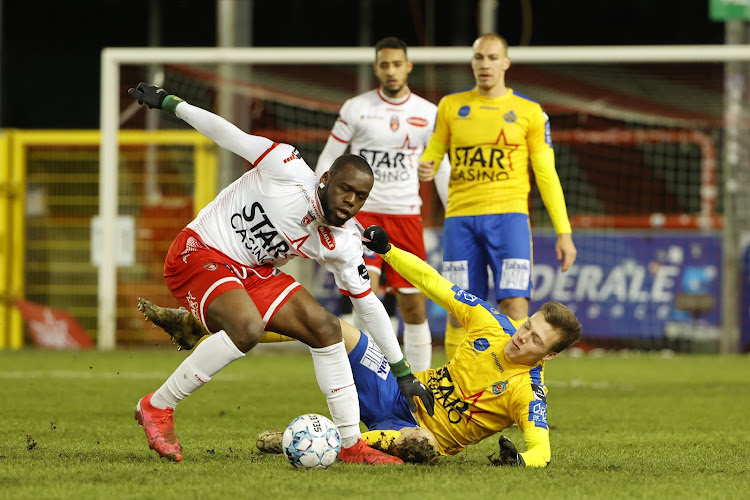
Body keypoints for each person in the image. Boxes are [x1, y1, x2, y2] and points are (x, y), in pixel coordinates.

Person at [126, 82, 434, 465]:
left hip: (254, 272)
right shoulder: (285, 165)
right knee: (247, 328)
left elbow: (368, 305)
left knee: (326, 329)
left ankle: (351, 444)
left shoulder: (341, 241)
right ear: (325, 180)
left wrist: (403, 370)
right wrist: (174, 104)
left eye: (359, 198)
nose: (350, 202)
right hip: (201, 250)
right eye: (345, 190)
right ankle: (158, 406)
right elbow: (229, 135)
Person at [257, 226, 582, 466]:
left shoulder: (527, 391)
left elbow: (542, 449)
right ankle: (249, 331)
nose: (523, 336)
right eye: (527, 325)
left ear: (549, 356)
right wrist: (387, 250)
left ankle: (313, 442)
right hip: (396, 387)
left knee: (423, 445)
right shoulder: (492, 322)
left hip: (413, 434)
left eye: (535, 340)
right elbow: (432, 281)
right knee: (330, 326)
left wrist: (521, 460)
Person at [418, 33, 578, 360]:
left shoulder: (530, 113)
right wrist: (427, 165)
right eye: (479, 58)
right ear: (472, 63)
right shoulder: (450, 106)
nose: (485, 64)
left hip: (510, 220)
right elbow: (434, 150)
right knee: (459, 308)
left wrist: (564, 232)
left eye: (492, 58)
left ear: (506, 63)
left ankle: (520, 383)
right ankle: (458, 386)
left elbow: (546, 174)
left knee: (515, 304)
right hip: (460, 220)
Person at [316, 37, 451, 372]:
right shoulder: (356, 108)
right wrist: (315, 203)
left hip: (406, 215)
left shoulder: (428, 113)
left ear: (408, 66)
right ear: (376, 68)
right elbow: (330, 158)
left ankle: (421, 383)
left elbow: (441, 167)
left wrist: (455, 213)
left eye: (397, 64)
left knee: (414, 307)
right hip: (363, 214)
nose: (391, 71)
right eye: (384, 65)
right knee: (365, 295)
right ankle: (362, 380)